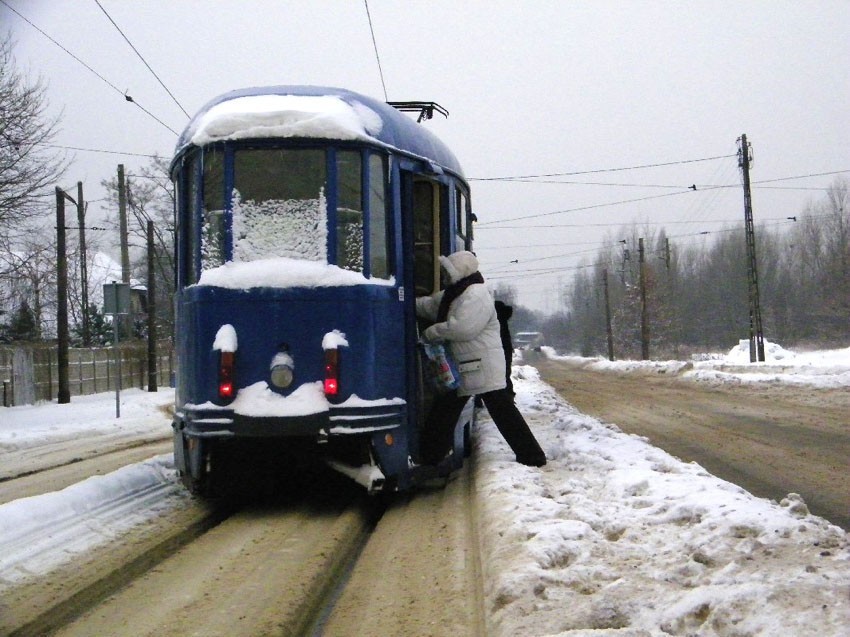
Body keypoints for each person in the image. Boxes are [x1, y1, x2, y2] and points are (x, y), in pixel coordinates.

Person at [416, 251, 546, 467]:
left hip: (480, 366)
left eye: (448, 271)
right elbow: (430, 306)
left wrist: (431, 333)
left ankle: (430, 456)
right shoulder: (457, 293)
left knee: (457, 409)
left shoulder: (475, 294)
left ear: (461, 271)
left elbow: (462, 328)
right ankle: (531, 455)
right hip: (471, 365)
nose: (445, 275)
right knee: (496, 411)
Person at [494, 300, 515, 398]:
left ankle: (505, 394)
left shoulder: (493, 319)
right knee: (506, 372)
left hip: (496, 347)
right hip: (506, 347)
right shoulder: (504, 318)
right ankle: (509, 393)